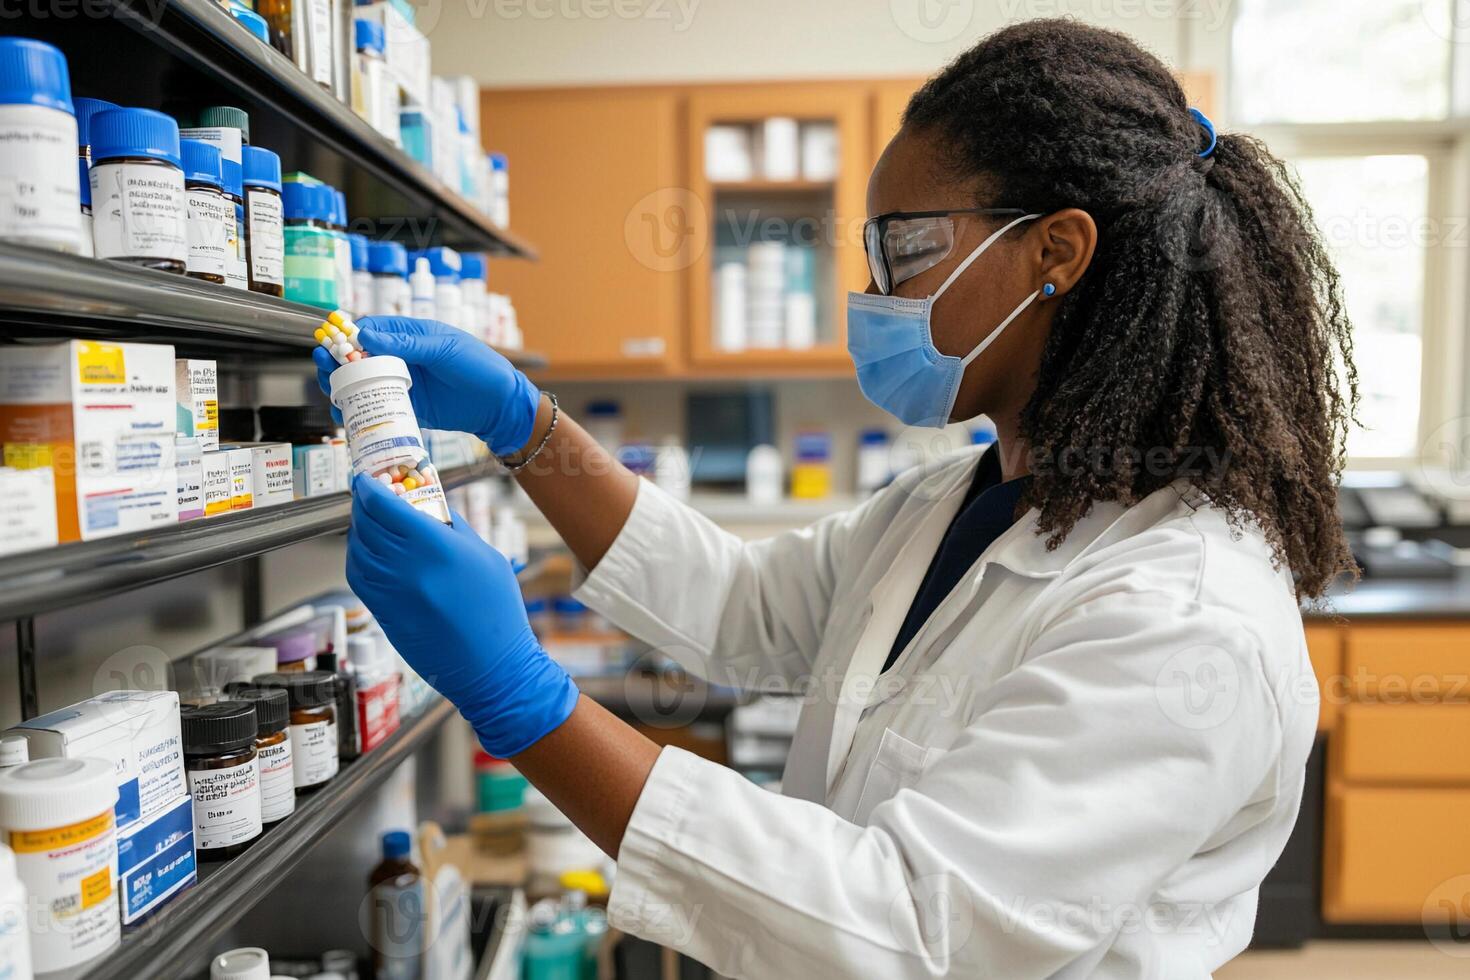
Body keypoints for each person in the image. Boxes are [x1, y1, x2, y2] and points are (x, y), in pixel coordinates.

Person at [324, 20, 1357, 979]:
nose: (872, 293)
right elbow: (738, 602)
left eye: (903, 248)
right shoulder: (962, 497)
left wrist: (521, 698)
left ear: (1057, 253)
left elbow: (909, 926)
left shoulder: (1186, 614)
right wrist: (527, 426)